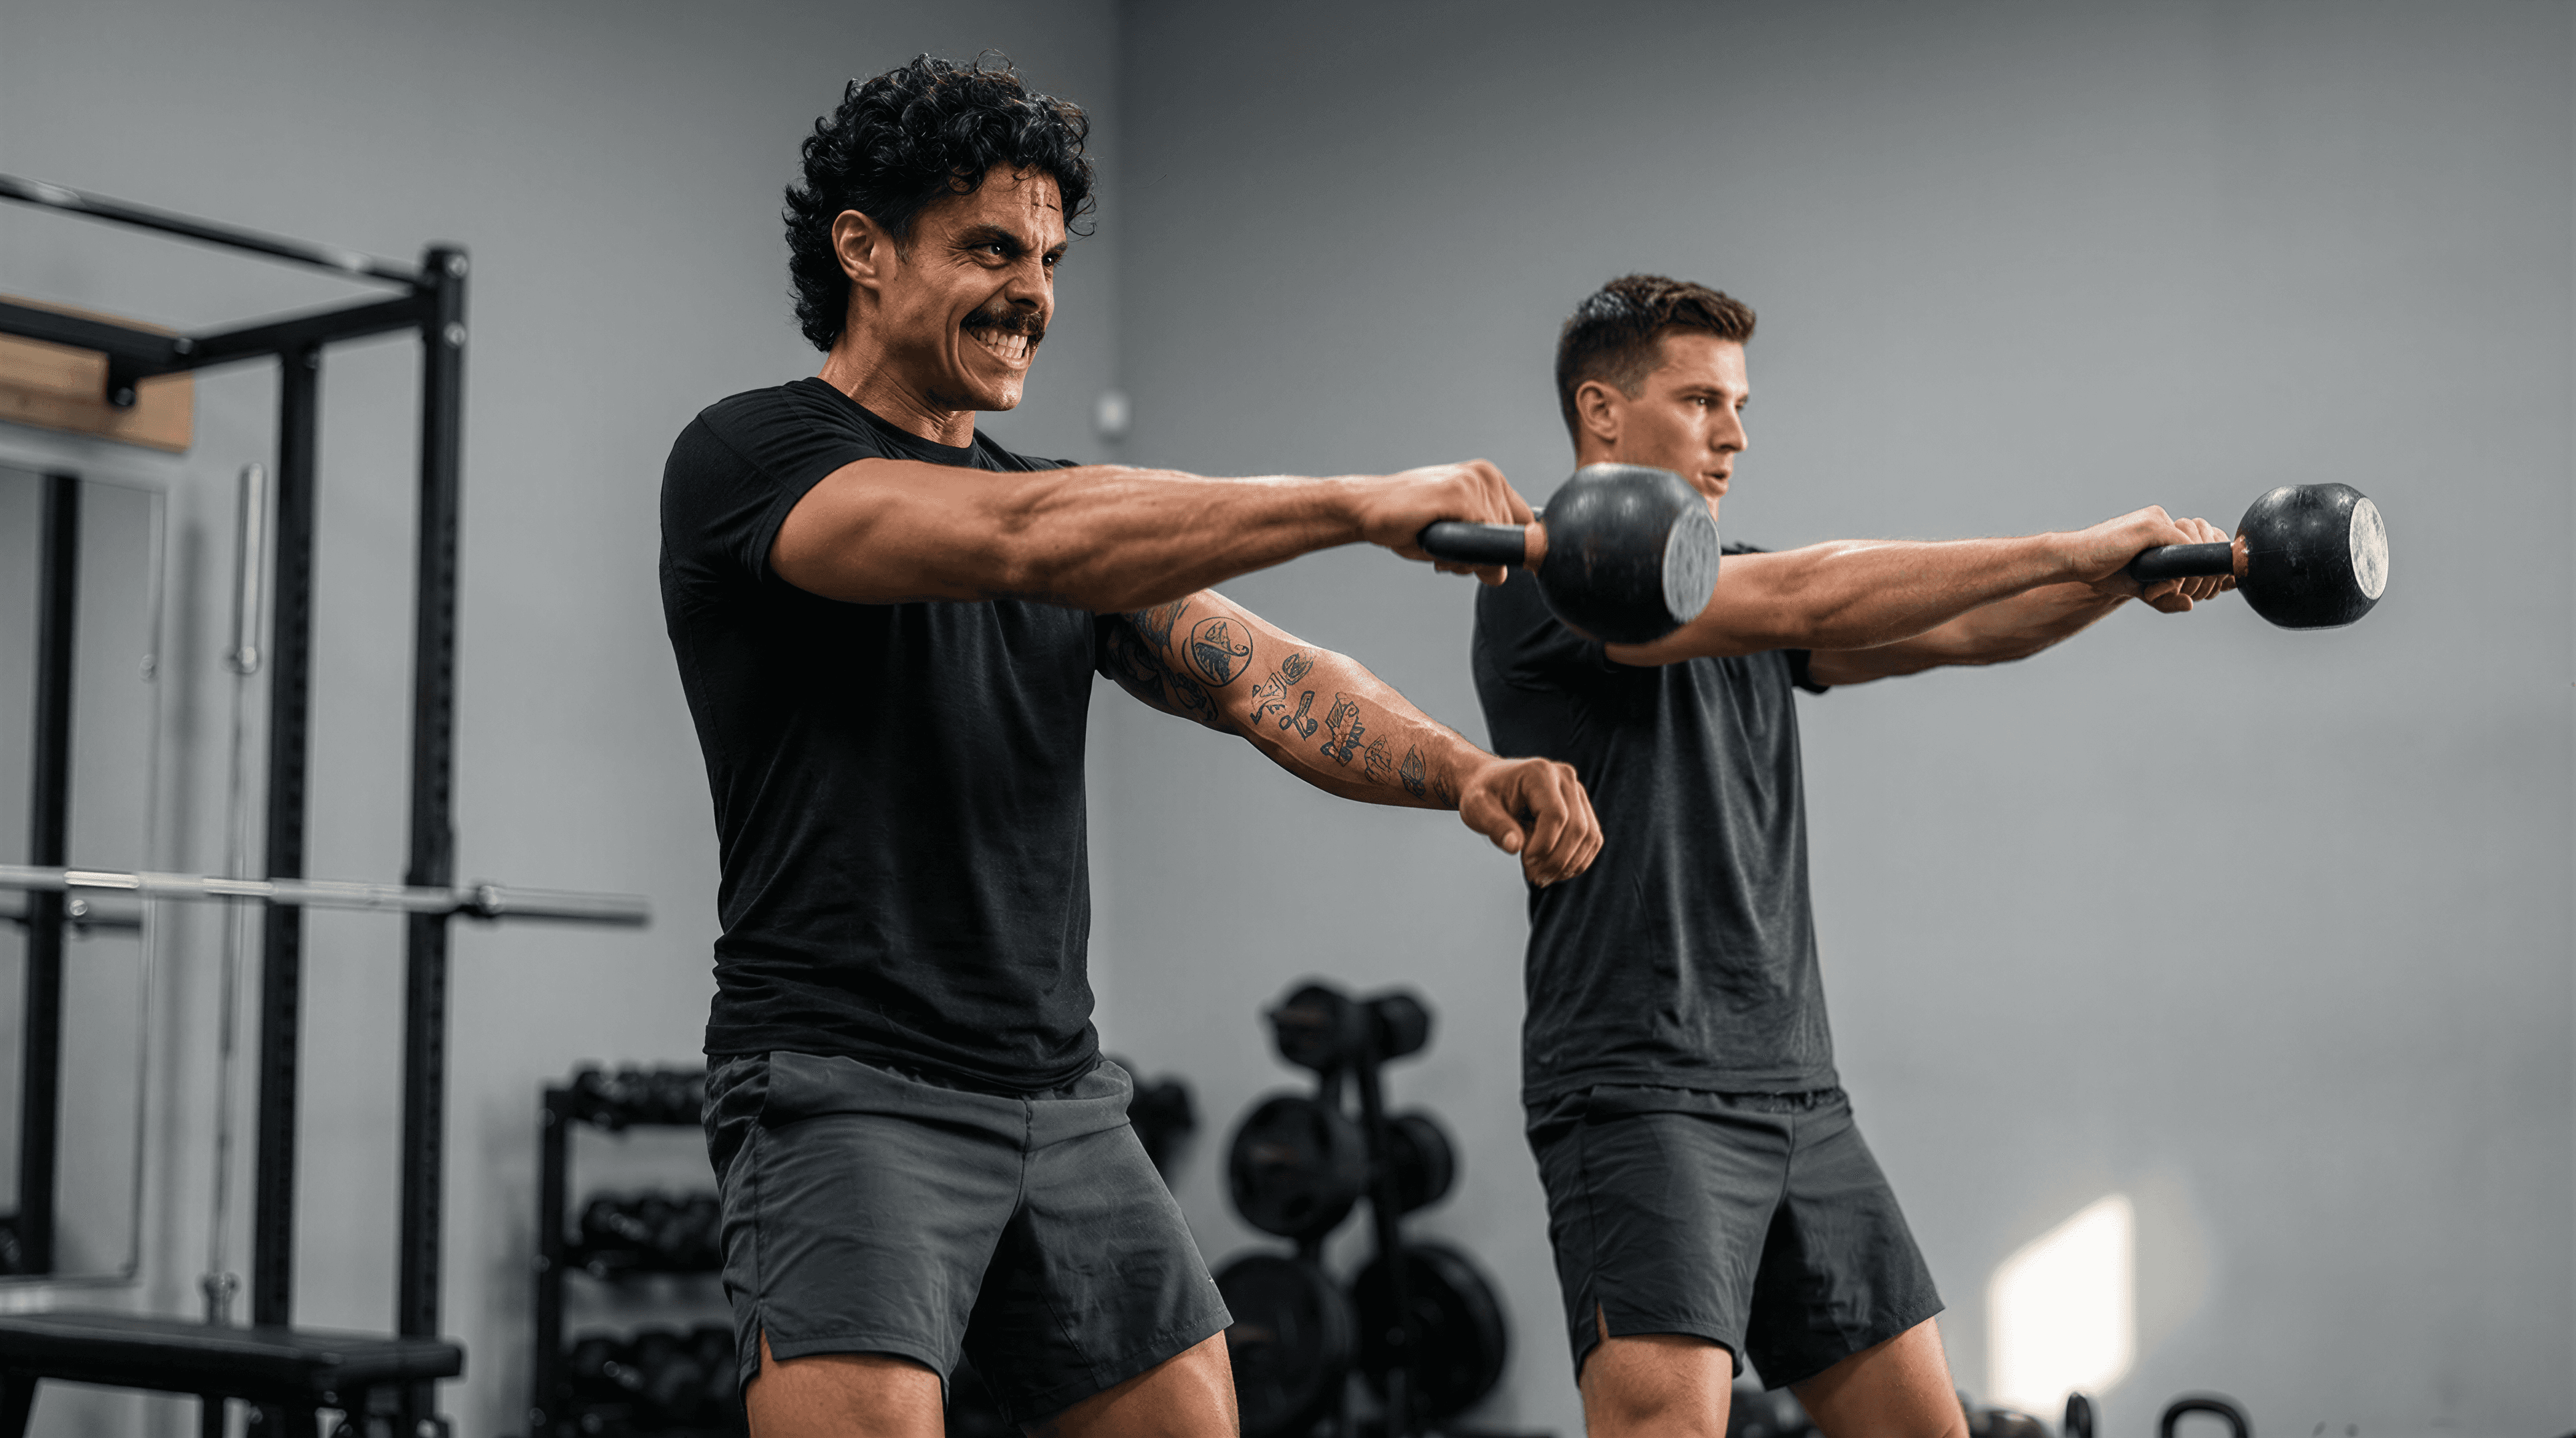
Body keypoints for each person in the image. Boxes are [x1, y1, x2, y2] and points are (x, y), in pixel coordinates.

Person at [658, 56, 1602, 1438]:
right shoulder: (754, 457)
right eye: (990, 246)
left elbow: (1262, 674)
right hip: (844, 1081)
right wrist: (1350, 500)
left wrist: (1465, 769)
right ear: (862, 248)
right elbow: (1011, 543)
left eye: (1045, 256)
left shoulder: (1062, 510)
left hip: (1060, 1093)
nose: (1034, 290)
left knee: (1185, 1411)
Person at [1470, 275, 2230, 1438]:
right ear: (1601, 412)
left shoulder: (1742, 595)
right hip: (1642, 1087)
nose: (1730, 433)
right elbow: (1814, 586)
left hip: (1797, 1089)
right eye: (1698, 399)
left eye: (1739, 404)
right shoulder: (1549, 578)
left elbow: (1964, 632)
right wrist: (2081, 544)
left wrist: (2119, 584)